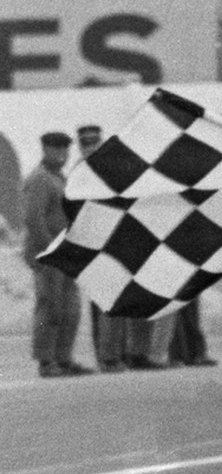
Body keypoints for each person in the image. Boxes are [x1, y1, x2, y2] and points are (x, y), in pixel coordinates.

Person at [22, 131, 91, 378]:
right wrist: (51, 249)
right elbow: (33, 219)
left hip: (64, 252)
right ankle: (46, 360)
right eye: (56, 150)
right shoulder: (40, 179)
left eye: (65, 150)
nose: (61, 155)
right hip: (48, 253)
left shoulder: (58, 177)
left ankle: (63, 358)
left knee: (70, 309)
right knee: (49, 308)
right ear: (45, 150)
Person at [76, 125, 130, 373]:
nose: (89, 148)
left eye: (93, 143)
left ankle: (110, 353)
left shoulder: (111, 169)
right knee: (104, 301)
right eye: (85, 144)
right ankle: (107, 356)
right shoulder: (80, 173)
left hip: (113, 240)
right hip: (93, 243)